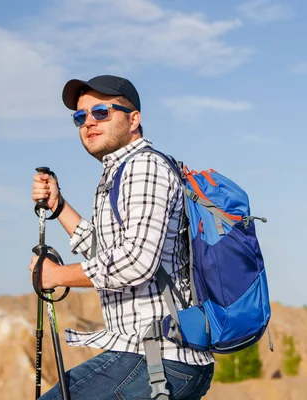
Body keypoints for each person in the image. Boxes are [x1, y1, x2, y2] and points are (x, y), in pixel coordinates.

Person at [29, 75, 215, 400]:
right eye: (80, 116)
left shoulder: (144, 167)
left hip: (158, 356)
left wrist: (57, 276)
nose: (88, 122)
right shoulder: (120, 173)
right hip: (152, 355)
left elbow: (136, 262)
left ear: (133, 120)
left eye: (101, 112)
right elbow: (105, 252)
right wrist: (58, 207)